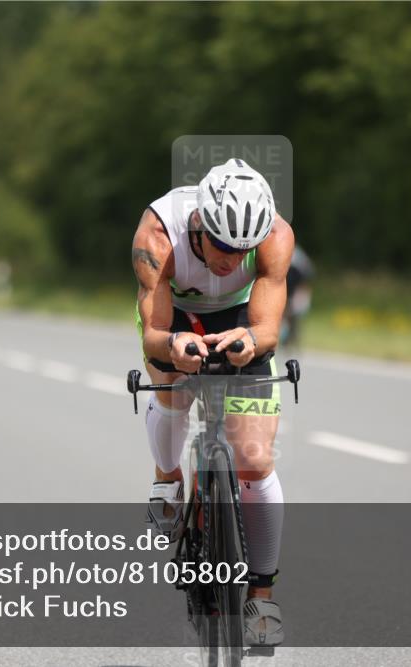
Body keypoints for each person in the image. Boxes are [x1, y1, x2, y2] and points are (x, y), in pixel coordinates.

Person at [131, 159, 292, 647]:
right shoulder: (159, 234)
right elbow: (155, 335)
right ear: (200, 224)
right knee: (173, 384)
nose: (229, 258)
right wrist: (174, 347)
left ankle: (261, 594)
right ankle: (168, 478)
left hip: (241, 312)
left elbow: (268, 328)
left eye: (241, 250)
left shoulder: (274, 236)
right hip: (174, 310)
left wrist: (250, 339)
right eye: (222, 245)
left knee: (256, 459)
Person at [280, 244, 314, 348]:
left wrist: (302, 294)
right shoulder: (296, 254)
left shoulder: (297, 256)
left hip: (296, 290)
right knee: (285, 316)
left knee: (293, 316)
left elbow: (306, 276)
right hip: (284, 288)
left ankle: (292, 338)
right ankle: (286, 339)